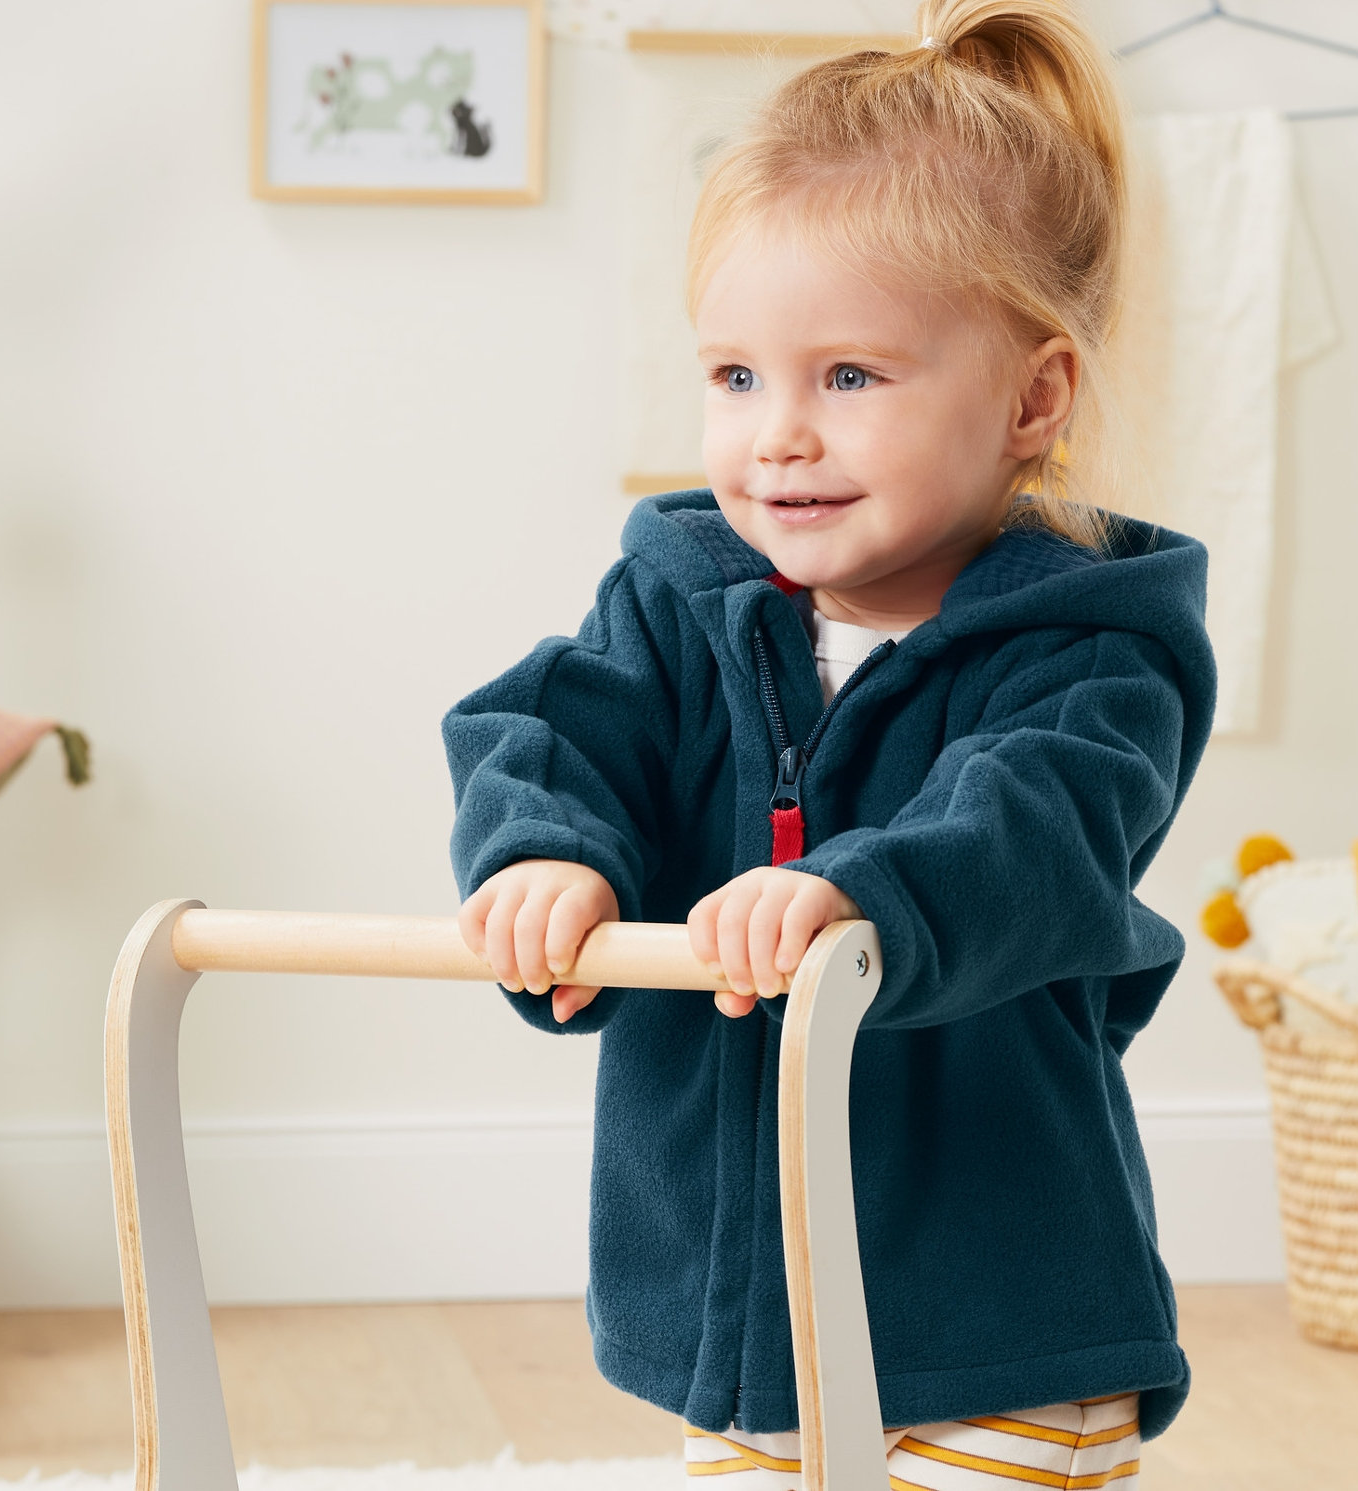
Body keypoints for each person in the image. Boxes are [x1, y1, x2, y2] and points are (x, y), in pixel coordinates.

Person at [444, 1, 1216, 1483]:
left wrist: (860, 893)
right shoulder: (677, 602)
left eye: (847, 378)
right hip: (734, 1317)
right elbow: (545, 729)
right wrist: (546, 856)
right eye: (734, 377)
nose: (775, 436)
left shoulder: (1094, 650)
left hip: (993, 1317)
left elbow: (1034, 832)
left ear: (1032, 397)